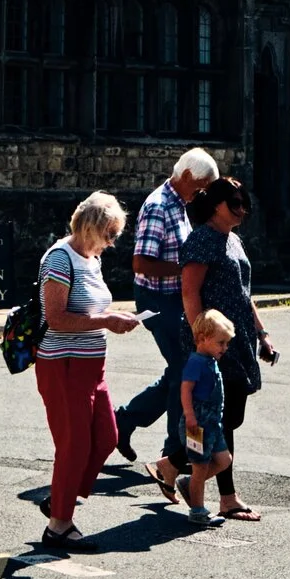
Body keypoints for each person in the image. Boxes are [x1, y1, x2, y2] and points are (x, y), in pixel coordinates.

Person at [34, 190, 141, 550]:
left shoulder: (90, 258)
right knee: (74, 445)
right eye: (109, 234)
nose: (111, 243)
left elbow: (93, 309)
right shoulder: (59, 260)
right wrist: (106, 321)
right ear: (91, 228)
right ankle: (59, 526)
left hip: (92, 365)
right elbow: (57, 318)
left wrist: (116, 317)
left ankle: (59, 500)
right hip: (62, 365)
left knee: (108, 437)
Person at [176, 174, 276, 520]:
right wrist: (200, 340)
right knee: (219, 419)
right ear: (216, 205)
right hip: (210, 345)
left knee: (229, 417)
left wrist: (262, 334)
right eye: (235, 204)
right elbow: (190, 293)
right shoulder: (202, 239)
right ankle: (226, 498)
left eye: (245, 204)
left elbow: (243, 294)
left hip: (236, 341)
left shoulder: (233, 240)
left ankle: (171, 468)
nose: (242, 210)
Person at [115, 148, 219, 480]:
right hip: (156, 298)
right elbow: (140, 263)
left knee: (179, 370)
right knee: (183, 372)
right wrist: (186, 268)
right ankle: (173, 453)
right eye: (201, 185)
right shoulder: (159, 206)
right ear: (187, 176)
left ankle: (125, 423)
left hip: (173, 296)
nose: (202, 193)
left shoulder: (180, 204)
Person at [178, 311, 237, 524]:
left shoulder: (210, 359)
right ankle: (197, 510)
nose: (225, 348)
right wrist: (190, 415)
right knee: (200, 466)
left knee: (224, 460)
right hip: (197, 423)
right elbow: (186, 389)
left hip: (213, 423)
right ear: (203, 338)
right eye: (221, 343)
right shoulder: (196, 362)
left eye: (227, 343)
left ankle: (190, 484)